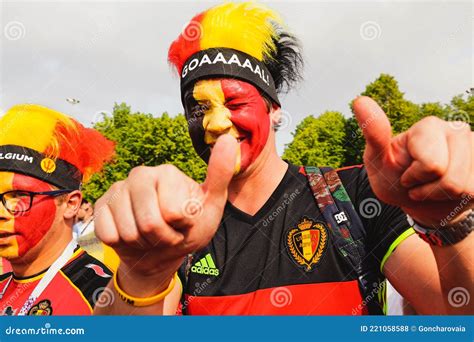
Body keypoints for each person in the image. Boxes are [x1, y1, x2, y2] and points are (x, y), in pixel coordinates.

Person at [94, 2, 473, 315]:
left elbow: (454, 315)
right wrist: (143, 274)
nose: (214, 122)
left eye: (236, 102)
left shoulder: (354, 195)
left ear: (274, 110)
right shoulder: (176, 224)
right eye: (197, 108)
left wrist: (452, 221)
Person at [0, 104, 115, 315]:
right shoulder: (3, 283)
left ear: (71, 204)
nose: (1, 212)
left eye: (19, 196)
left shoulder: (103, 297)